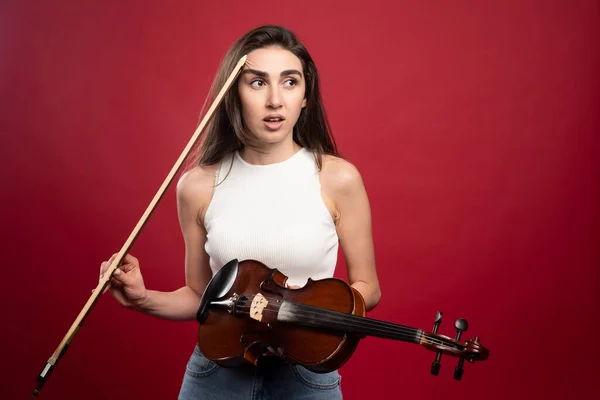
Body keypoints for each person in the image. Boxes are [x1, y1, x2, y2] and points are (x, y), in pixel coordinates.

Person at [99, 24, 381, 399]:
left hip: (304, 378)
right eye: (258, 82)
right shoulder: (196, 186)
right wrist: (143, 298)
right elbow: (201, 295)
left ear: (305, 97)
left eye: (290, 82)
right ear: (234, 94)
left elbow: (368, 288)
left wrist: (302, 315)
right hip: (215, 374)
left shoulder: (338, 178)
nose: (275, 100)